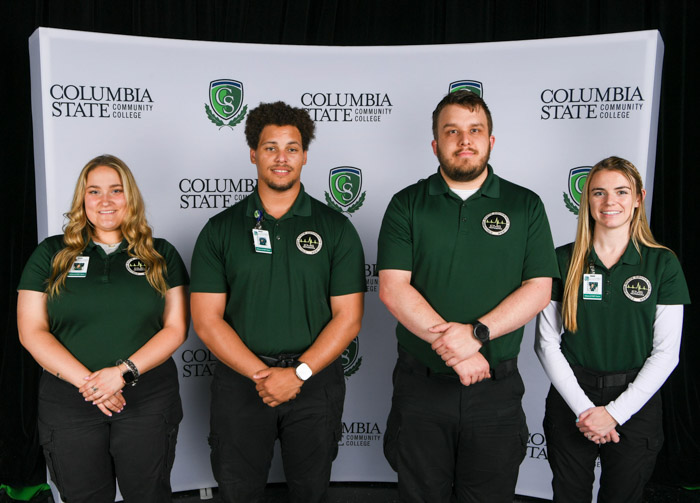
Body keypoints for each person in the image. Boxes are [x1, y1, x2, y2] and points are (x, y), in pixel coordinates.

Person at [377, 89, 559, 502]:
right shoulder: (407, 204)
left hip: (494, 391)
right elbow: (392, 288)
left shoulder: (525, 205)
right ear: (436, 144)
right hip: (421, 389)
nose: (464, 140)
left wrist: (475, 334)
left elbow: (539, 289)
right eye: (452, 131)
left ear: (491, 141)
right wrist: (458, 351)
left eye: (475, 130)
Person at [190, 101, 365, 503]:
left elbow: (348, 317)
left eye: (291, 148)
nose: (281, 158)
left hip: (315, 382)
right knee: (239, 492)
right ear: (253, 153)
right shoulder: (220, 230)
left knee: (310, 491)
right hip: (241, 383)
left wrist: (297, 374)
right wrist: (263, 376)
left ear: (305, 155)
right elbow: (207, 320)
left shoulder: (336, 228)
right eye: (270, 147)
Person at [17, 154, 189, 503]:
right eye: (94, 191)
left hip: (147, 399)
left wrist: (122, 373)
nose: (106, 201)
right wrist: (93, 384)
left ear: (131, 197)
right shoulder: (50, 254)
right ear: (83, 199)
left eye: (116, 190)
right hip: (70, 403)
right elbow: (32, 331)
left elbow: (175, 328)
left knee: (149, 495)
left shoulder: (161, 254)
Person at [535, 156, 690, 502]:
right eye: (599, 193)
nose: (610, 202)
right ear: (586, 199)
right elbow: (546, 344)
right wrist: (586, 412)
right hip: (572, 399)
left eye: (621, 192)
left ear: (638, 198)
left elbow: (666, 353)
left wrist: (615, 414)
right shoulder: (562, 260)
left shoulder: (662, 263)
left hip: (636, 401)